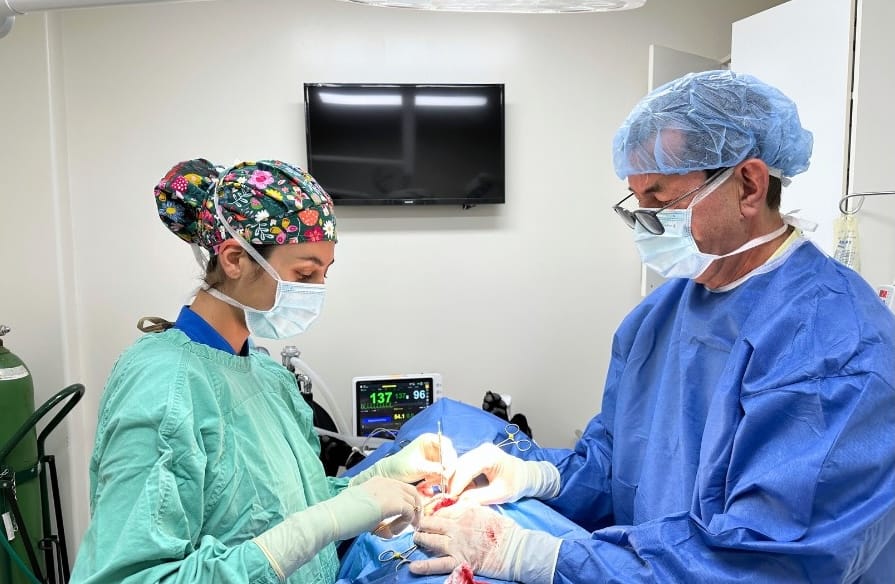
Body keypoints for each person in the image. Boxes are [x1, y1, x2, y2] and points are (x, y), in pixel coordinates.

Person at [408, 70, 895, 583]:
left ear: (749, 186)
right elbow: (617, 466)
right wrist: (539, 477)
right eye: (637, 201)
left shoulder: (836, 347)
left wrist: (537, 556)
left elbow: (769, 562)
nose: (647, 222)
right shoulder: (659, 315)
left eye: (662, 201)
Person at [70, 159, 454, 584]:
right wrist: (326, 521)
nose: (318, 291)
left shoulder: (267, 376)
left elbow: (296, 507)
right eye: (304, 273)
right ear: (234, 259)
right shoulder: (163, 387)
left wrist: (382, 478)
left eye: (324, 273)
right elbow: (133, 577)